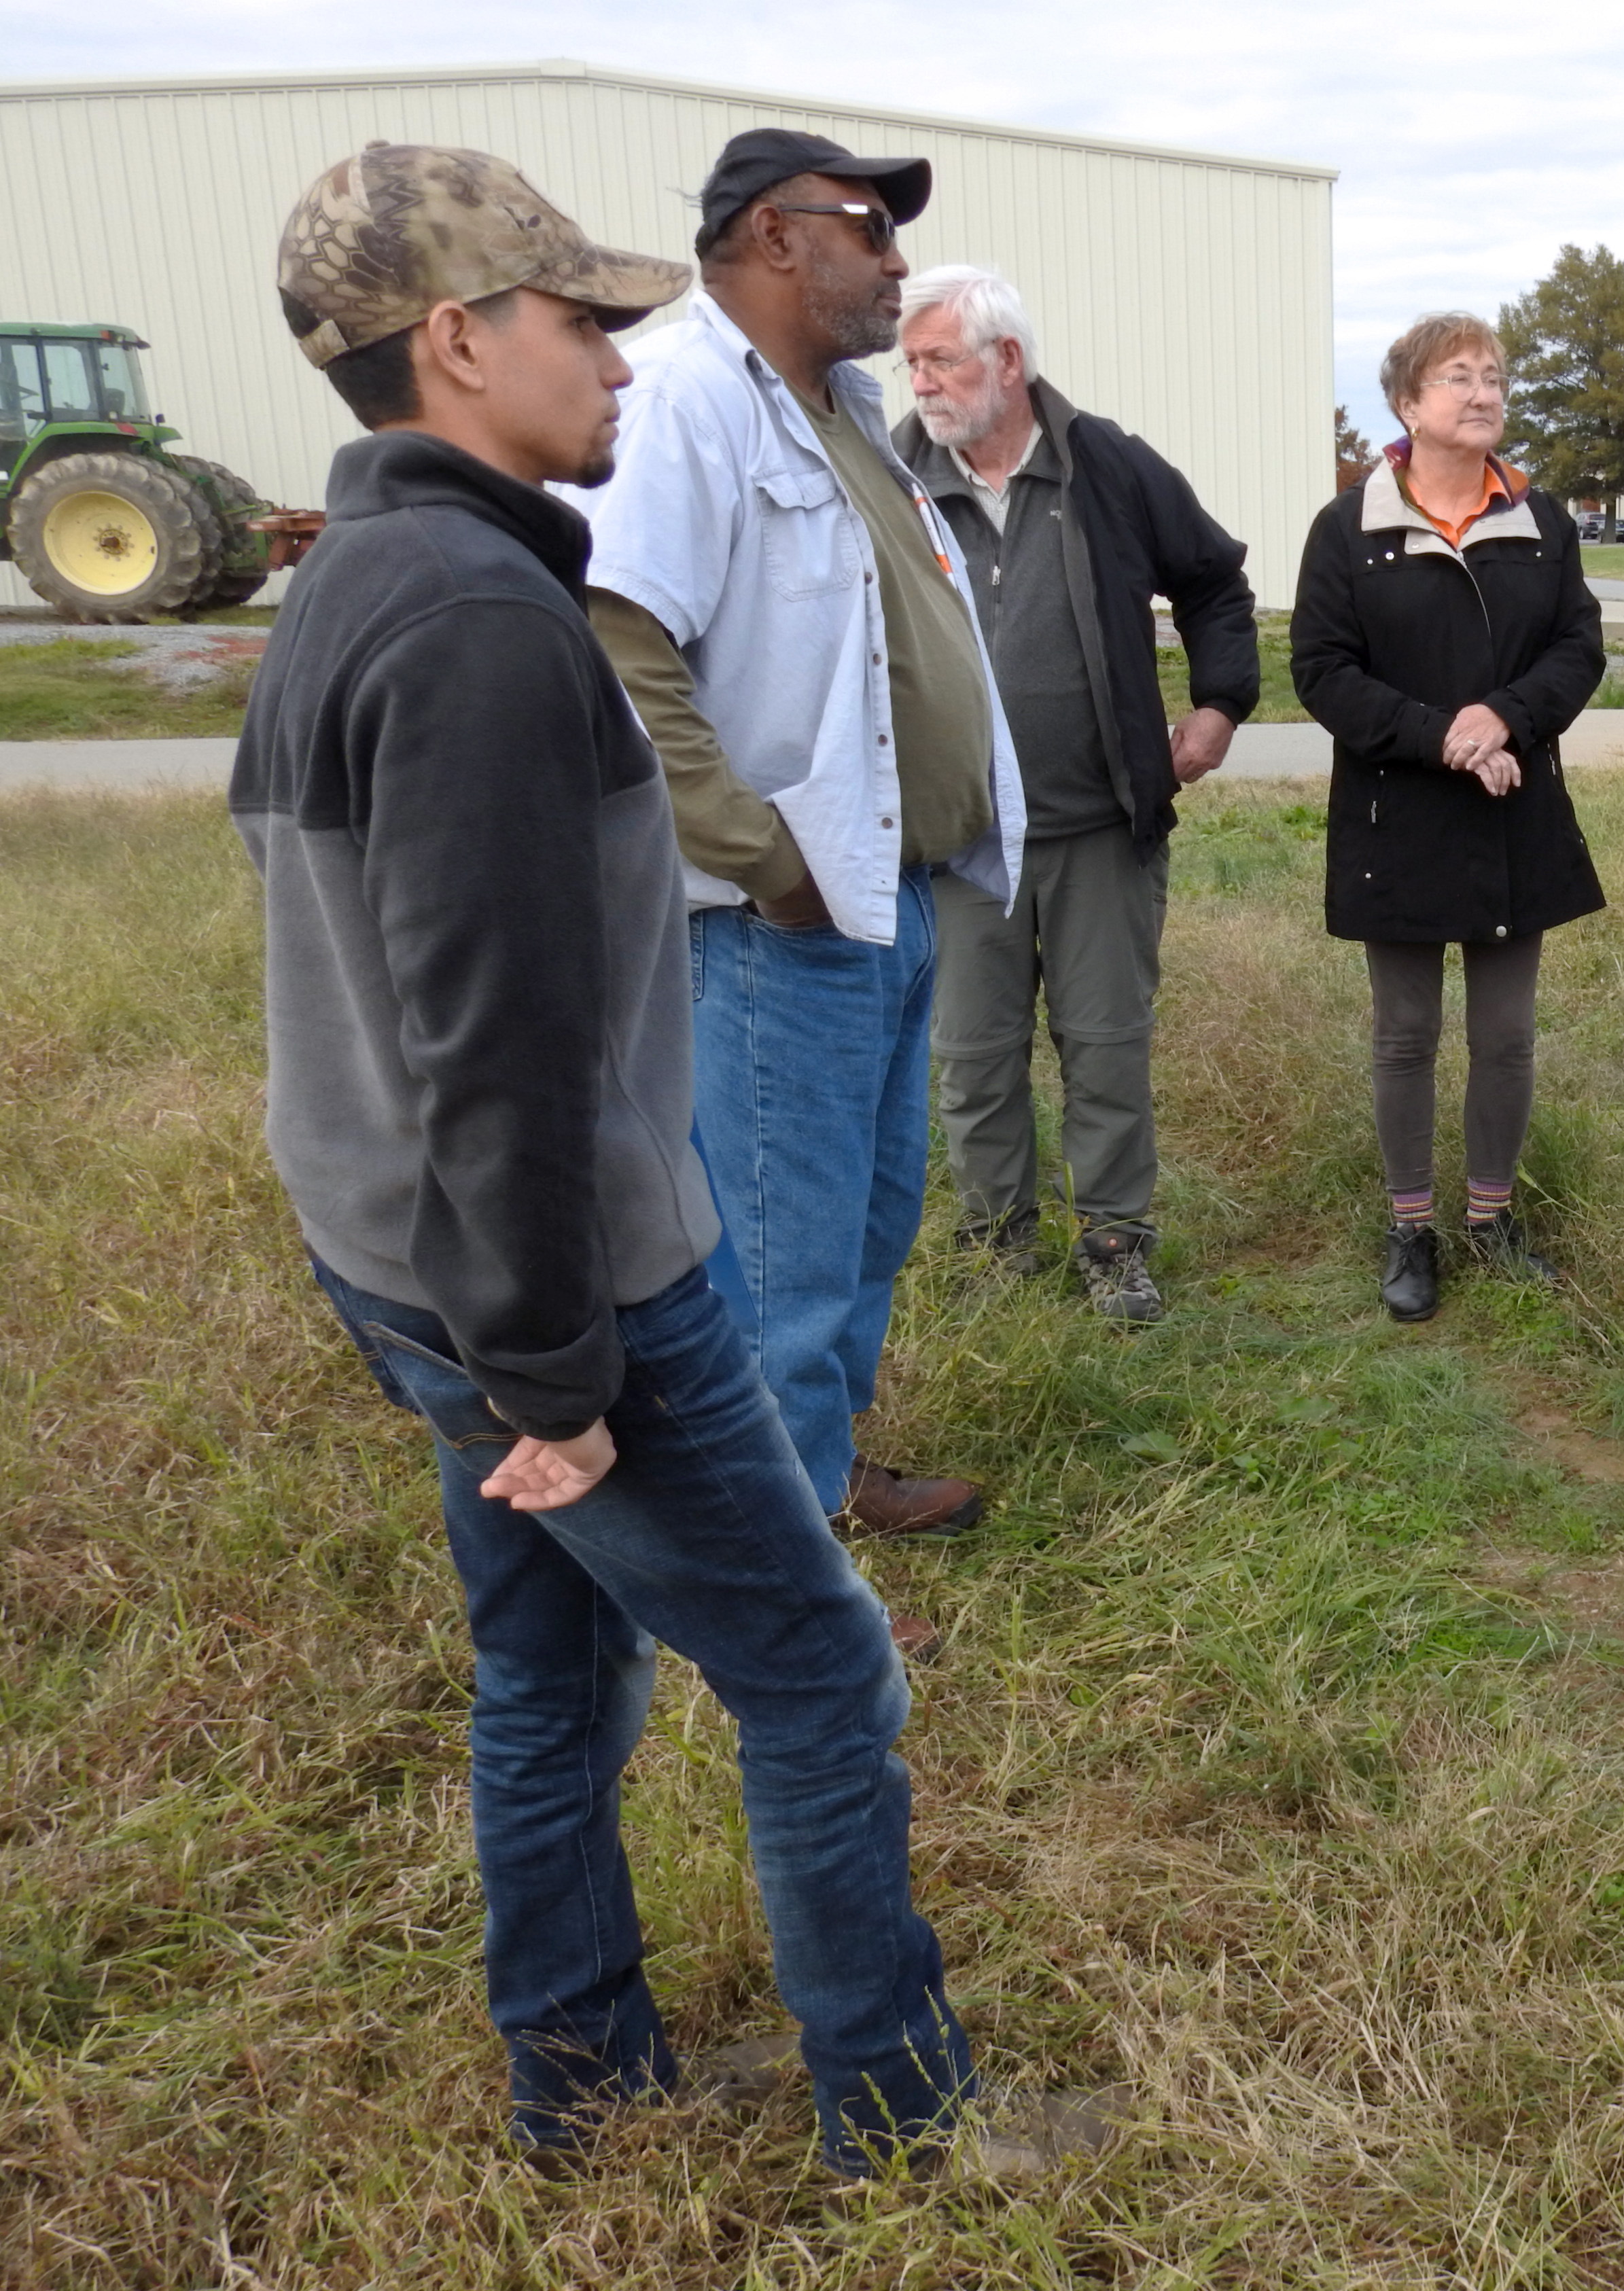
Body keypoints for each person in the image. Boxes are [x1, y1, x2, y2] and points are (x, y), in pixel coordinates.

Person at [236, 141, 1002, 2177]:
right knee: (825, 1672)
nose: (615, 353)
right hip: (553, 1276)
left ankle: (581, 2081)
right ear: (456, 342)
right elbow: (491, 1037)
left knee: (552, 1664)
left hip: (414, 1257)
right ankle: (904, 2124)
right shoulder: (480, 615)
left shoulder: (354, 581)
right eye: (576, 318)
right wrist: (559, 1376)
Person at [578, 130, 1025, 1542]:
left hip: (886, 902)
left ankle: (819, 1474)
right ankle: (775, 1555)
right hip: (786, 922)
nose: (896, 263)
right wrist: (763, 859)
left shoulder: (833, 409)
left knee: (868, 1221)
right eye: (868, 229)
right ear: (774, 236)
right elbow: (621, 645)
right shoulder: (684, 397)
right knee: (779, 1252)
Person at [891, 263, 1259, 1325]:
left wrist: (1219, 706)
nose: (922, 382)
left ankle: (1114, 1242)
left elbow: (1215, 581)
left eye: (941, 358)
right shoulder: (890, 475)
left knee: (1104, 1048)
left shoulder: (1107, 464)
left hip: (1101, 824)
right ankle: (998, 1247)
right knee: (970, 1057)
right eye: (911, 362)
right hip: (958, 838)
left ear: (1008, 361)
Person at [1289, 310, 1606, 1322]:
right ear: (1407, 403)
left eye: (1495, 377)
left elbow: (1578, 649)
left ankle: (1493, 1220)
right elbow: (1321, 671)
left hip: (1519, 816)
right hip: (1400, 818)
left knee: (1507, 1036)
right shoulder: (1350, 529)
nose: (1483, 394)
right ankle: (1411, 1229)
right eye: (1459, 377)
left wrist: (1504, 717)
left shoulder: (1542, 523)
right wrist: (1442, 736)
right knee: (1406, 1035)